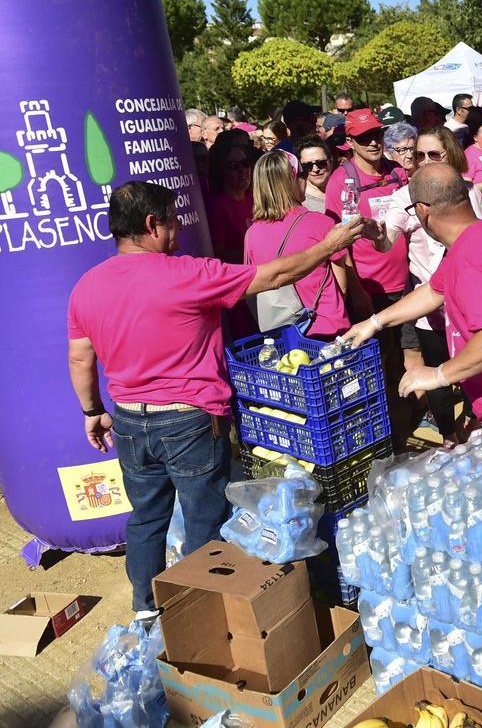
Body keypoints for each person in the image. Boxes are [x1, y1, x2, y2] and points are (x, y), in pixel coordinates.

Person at [67, 181, 363, 620]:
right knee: (204, 519)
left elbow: (80, 357)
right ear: (152, 224)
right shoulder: (187, 273)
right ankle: (196, 614)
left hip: (128, 419)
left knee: (145, 518)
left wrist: (93, 411)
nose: (179, 229)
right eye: (173, 220)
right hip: (188, 420)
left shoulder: (87, 286)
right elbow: (273, 276)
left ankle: (146, 608)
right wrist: (329, 245)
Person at [344, 165, 482, 442]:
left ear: (422, 211)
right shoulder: (478, 233)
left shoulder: (472, 258)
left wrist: (438, 375)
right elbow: (433, 292)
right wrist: (374, 322)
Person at [382, 128, 482, 442]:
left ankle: (473, 424)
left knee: (474, 369)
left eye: (433, 154)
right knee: (437, 376)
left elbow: (481, 236)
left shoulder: (469, 191)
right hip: (430, 307)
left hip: (468, 302)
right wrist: (378, 237)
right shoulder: (405, 196)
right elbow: (388, 236)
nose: (424, 161)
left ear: (450, 155)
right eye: (419, 155)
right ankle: (448, 437)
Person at [324, 109, 411, 409]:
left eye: (376, 134)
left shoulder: (397, 172)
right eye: (364, 138)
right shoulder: (341, 182)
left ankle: (412, 409)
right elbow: (339, 245)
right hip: (371, 288)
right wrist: (357, 290)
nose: (373, 142)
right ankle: (387, 419)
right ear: (349, 142)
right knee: (379, 360)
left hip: (408, 282)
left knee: (409, 352)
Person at [244, 149, 368, 338]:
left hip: (282, 336)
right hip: (328, 330)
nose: (307, 178)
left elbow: (252, 290)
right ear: (290, 181)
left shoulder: (251, 234)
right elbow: (342, 287)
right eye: (302, 173)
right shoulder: (321, 223)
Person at [205, 134, 255, 265]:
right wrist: (258, 252)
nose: (242, 170)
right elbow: (218, 255)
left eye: (245, 163)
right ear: (220, 171)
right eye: (233, 166)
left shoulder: (253, 199)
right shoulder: (217, 205)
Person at [295, 136, 334, 213]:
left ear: (331, 161)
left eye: (321, 163)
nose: (315, 170)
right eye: (308, 165)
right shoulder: (298, 199)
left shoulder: (345, 190)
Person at [383, 121, 418, 189]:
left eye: (412, 148)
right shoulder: (387, 181)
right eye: (402, 150)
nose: (410, 155)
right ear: (389, 154)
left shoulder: (425, 174)